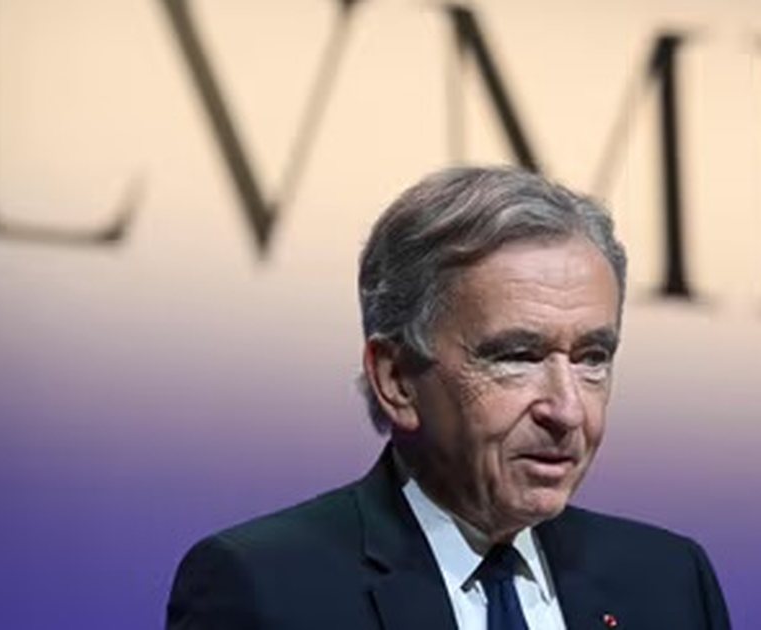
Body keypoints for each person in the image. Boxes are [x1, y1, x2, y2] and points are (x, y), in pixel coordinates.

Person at [166, 166, 731, 629]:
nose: (567, 411)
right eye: (518, 356)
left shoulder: (669, 583)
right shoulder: (266, 590)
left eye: (591, 359)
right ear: (396, 380)